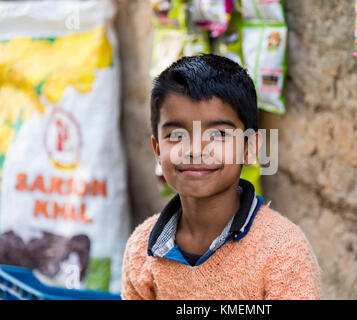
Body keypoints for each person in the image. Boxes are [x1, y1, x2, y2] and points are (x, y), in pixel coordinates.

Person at [121, 54, 322, 300]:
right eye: (176, 135)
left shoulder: (282, 250)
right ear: (158, 150)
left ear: (249, 148)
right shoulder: (141, 249)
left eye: (218, 134)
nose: (195, 150)